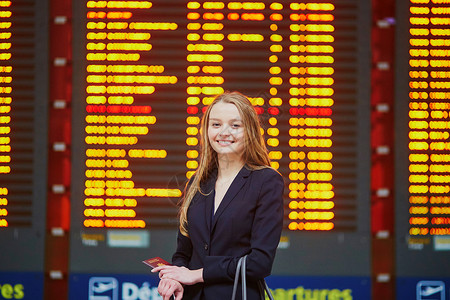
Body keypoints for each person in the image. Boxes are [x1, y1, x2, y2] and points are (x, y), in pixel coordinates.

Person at [152, 91, 284, 300]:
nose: (224, 132)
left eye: (235, 125)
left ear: (249, 131)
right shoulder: (197, 182)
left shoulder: (267, 181)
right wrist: (175, 277)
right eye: (215, 124)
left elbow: (259, 262)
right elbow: (183, 254)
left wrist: (196, 275)